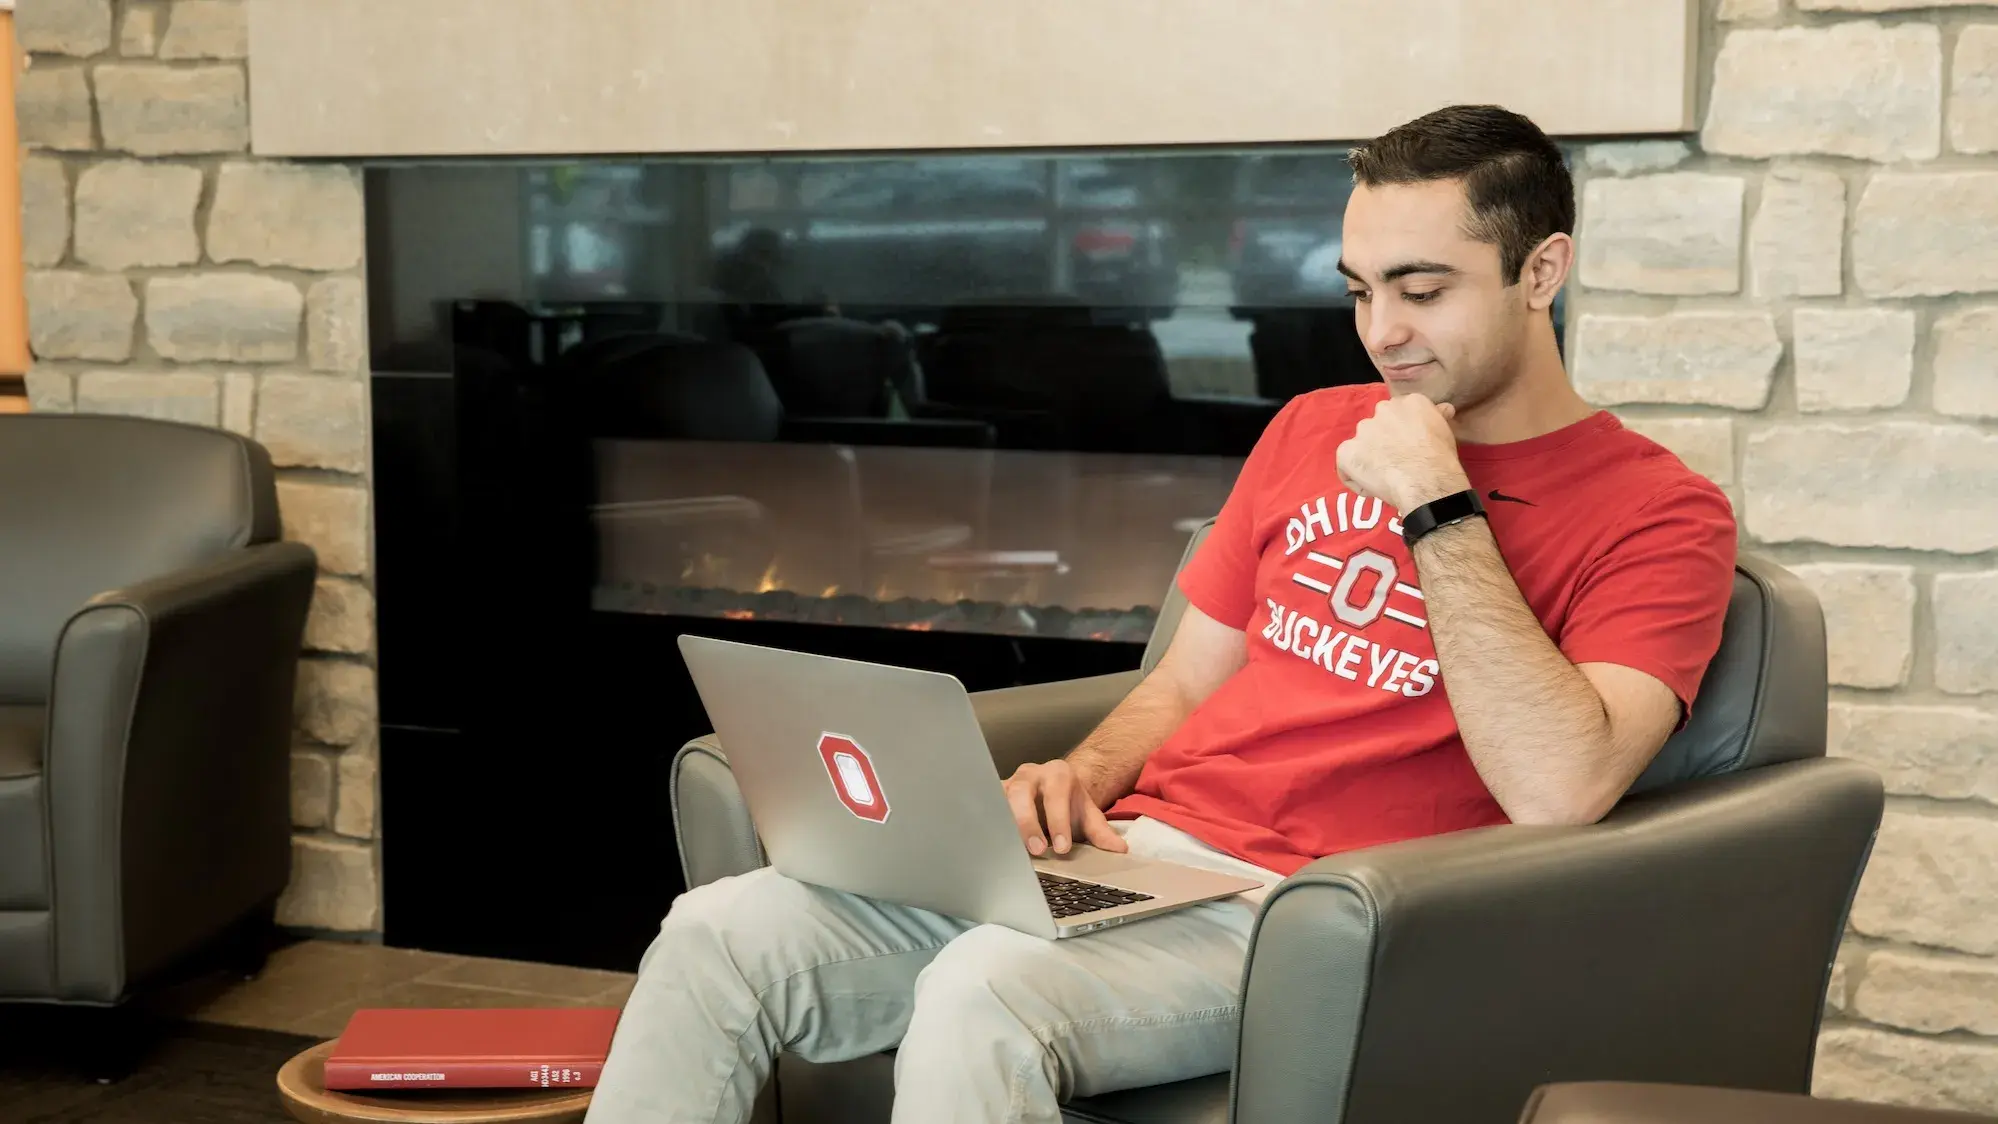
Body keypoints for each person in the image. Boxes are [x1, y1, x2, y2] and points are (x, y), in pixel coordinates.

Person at [585, 104, 1738, 1124]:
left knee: (982, 991)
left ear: (1542, 272)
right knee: (718, 931)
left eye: (1423, 290)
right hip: (1141, 860)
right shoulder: (1307, 429)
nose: (1381, 331)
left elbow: (1560, 787)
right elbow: (1183, 685)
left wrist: (1439, 504)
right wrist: (1078, 775)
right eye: (1360, 290)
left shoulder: (1660, 512)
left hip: (1314, 914)